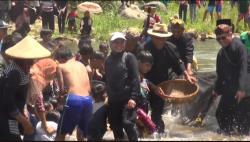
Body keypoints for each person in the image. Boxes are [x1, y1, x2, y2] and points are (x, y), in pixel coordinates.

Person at [143, 23, 196, 134]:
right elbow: (138, 71)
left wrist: (186, 75)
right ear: (152, 37)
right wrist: (152, 87)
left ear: (166, 38)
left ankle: (159, 135)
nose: (160, 41)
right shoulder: (144, 48)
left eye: (163, 38)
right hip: (145, 83)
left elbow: (178, 63)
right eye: (157, 38)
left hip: (162, 85)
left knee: (157, 113)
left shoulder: (170, 48)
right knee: (141, 112)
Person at [0, 35, 51, 140]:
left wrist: (23, 111)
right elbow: (7, 99)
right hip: (5, 115)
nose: (32, 63)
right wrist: (23, 120)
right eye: (28, 60)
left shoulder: (23, 70)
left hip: (13, 114)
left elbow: (19, 96)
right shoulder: (15, 72)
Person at [213, 24, 248, 135]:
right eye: (218, 38)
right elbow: (220, 75)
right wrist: (216, 90)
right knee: (220, 114)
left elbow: (244, 68)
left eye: (223, 37)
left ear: (230, 33)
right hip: (230, 88)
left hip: (244, 87)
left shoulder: (239, 47)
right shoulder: (221, 53)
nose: (221, 41)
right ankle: (227, 135)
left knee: (243, 121)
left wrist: (242, 89)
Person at [105, 32, 140, 140]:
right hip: (113, 99)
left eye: (122, 42)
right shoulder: (108, 60)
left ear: (125, 43)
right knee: (115, 125)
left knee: (128, 123)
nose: (119, 44)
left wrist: (133, 98)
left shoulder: (129, 57)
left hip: (127, 98)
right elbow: (108, 79)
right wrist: (107, 96)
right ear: (111, 44)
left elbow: (135, 78)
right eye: (116, 42)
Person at [54, 46, 92, 141]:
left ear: (61, 58)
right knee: (82, 132)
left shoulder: (61, 66)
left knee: (61, 133)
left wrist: (60, 98)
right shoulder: (81, 65)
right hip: (88, 100)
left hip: (74, 99)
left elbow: (62, 90)